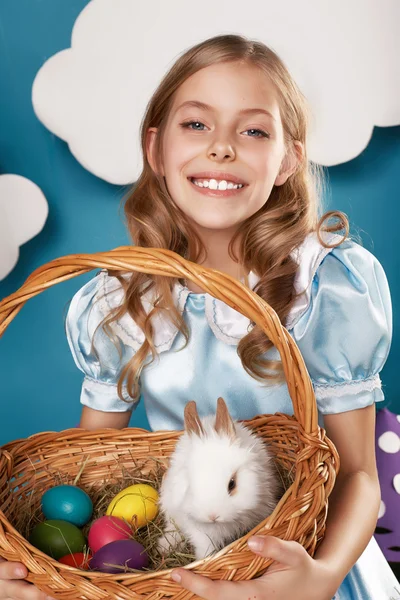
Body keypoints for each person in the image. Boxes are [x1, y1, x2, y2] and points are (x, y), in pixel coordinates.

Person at [2, 34, 398, 600]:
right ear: (155, 148)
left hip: (305, 561)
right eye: (196, 125)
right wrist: (42, 564)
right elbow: (90, 480)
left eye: (254, 130)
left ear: (288, 159)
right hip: (182, 562)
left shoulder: (324, 286)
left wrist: (324, 575)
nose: (222, 148)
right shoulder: (123, 299)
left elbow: (361, 475)